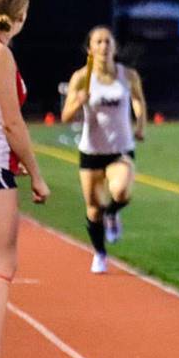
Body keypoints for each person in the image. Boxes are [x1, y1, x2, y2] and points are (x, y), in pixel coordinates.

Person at [0, 0, 50, 358]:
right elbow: (12, 124)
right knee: (0, 267)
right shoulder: (0, 53)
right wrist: (36, 171)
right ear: (21, 15)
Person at [61, 26, 147, 273]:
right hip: (91, 151)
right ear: (90, 49)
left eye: (107, 41)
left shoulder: (127, 75)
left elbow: (138, 100)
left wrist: (140, 124)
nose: (103, 46)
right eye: (98, 42)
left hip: (121, 148)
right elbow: (66, 116)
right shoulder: (81, 77)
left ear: (114, 46)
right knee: (93, 209)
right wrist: (78, 101)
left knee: (120, 191)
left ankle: (113, 214)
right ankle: (99, 253)